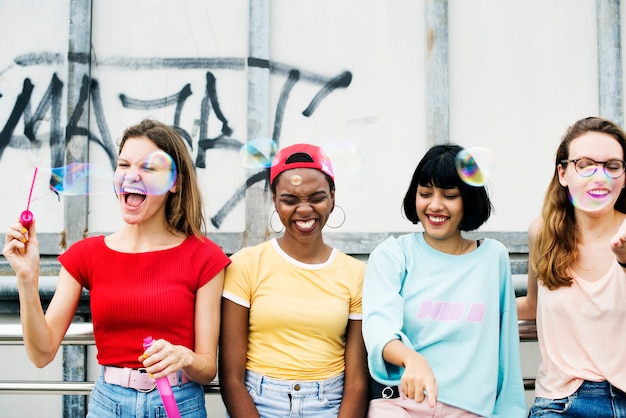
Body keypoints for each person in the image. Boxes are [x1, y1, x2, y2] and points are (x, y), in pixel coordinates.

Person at [2, 119, 230, 417]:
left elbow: (207, 368)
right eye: (124, 165)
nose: (131, 175)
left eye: (148, 168)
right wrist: (26, 279)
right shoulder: (85, 255)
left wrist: (184, 356)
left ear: (174, 183)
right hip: (108, 406)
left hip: (179, 404)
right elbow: (41, 354)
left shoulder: (204, 256)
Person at [362, 144, 526, 417]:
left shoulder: (492, 257)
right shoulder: (391, 255)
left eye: (449, 195)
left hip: (471, 410)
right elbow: (379, 329)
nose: (435, 205)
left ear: (468, 200)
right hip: (401, 405)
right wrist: (411, 358)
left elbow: (506, 353)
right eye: (425, 194)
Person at [219, 143, 369, 418]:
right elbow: (230, 378)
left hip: (328, 405)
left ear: (333, 198)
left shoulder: (355, 274)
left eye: (317, 198)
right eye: (289, 200)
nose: (304, 210)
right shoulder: (246, 264)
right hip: (259, 404)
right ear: (274, 200)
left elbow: (357, 382)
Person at [516, 116, 626, 417]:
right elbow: (531, 307)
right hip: (560, 404)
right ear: (563, 173)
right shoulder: (543, 233)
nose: (599, 176)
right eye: (586, 164)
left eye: (612, 166)